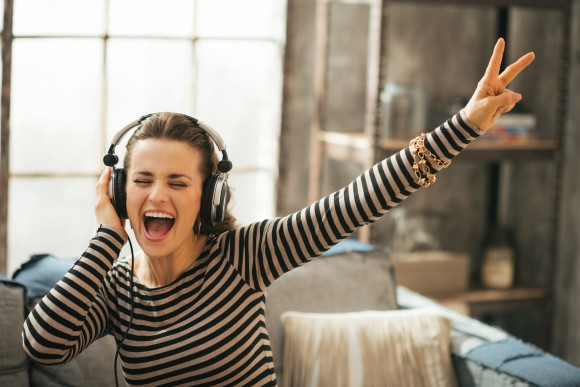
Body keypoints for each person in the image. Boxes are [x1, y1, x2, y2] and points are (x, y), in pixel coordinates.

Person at [23, 38, 534, 386]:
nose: (157, 195)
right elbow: (42, 346)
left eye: (178, 182)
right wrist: (106, 237)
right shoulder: (115, 291)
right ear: (117, 190)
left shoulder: (245, 256)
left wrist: (464, 124)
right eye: (141, 181)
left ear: (209, 197)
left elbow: (359, 199)